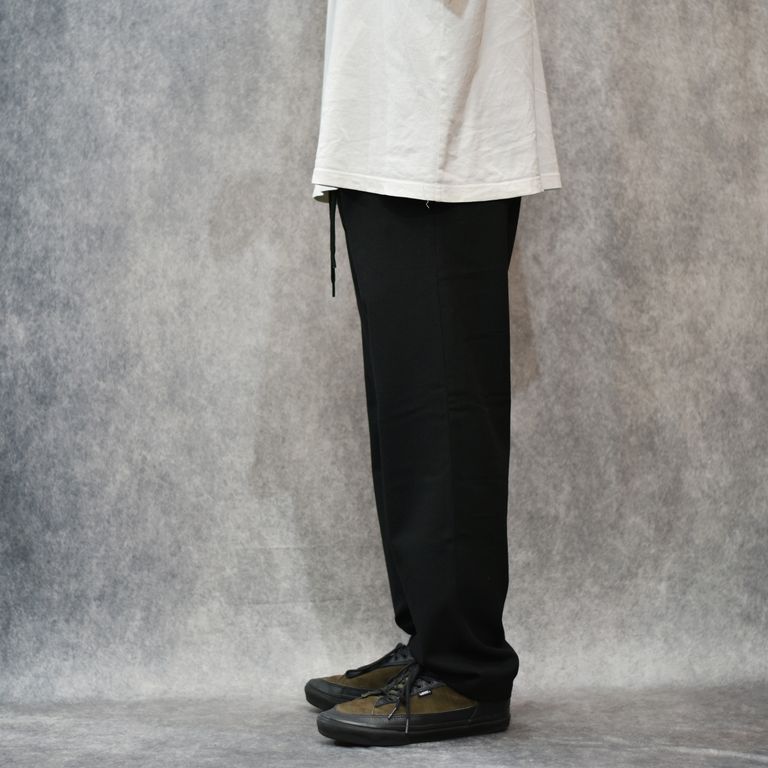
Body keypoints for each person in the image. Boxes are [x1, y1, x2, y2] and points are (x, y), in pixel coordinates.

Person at [304, 0, 562, 747]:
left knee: (442, 415)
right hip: (391, 119)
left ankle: (464, 669)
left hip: (440, 130)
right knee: (409, 418)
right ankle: (430, 644)